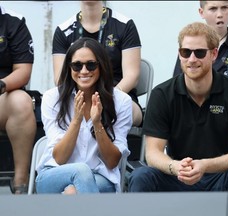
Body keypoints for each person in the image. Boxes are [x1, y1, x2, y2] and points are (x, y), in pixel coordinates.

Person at [128, 22, 228, 192]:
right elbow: (152, 153)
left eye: (199, 52)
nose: (192, 59)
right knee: (141, 176)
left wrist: (205, 165)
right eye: (186, 52)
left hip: (221, 177)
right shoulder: (161, 94)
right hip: (178, 176)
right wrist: (174, 167)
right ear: (179, 54)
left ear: (214, 54)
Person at [36, 37, 132, 194]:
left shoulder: (121, 101)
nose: (84, 71)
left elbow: (112, 161)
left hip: (100, 177)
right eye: (77, 65)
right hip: (54, 174)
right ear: (69, 68)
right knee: (81, 171)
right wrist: (76, 120)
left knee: (72, 192)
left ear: (101, 66)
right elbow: (59, 158)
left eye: (91, 65)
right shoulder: (52, 98)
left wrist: (97, 123)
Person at [52, 1, 143, 126]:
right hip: (77, 97)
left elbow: (132, 76)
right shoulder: (63, 30)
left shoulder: (125, 25)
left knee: (117, 108)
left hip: (117, 95)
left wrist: (108, 98)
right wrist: (81, 100)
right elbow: (60, 79)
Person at [173, 1, 228, 98]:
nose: (220, 14)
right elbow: (176, 84)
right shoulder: (189, 45)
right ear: (201, 12)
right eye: (213, 9)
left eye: (224, 8)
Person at [0, 5, 36, 194]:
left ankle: (21, 181)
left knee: (22, 102)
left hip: (3, 95)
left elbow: (23, 71)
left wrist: (1, 84)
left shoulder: (14, 22)